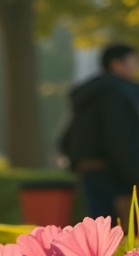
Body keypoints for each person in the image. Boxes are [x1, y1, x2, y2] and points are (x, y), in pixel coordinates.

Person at [60, 43, 139, 220]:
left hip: (89, 171)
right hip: (115, 172)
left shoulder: (89, 93)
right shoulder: (119, 92)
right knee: (119, 234)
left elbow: (66, 139)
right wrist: (135, 176)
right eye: (132, 61)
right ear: (116, 64)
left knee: (97, 229)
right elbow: (121, 139)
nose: (136, 66)